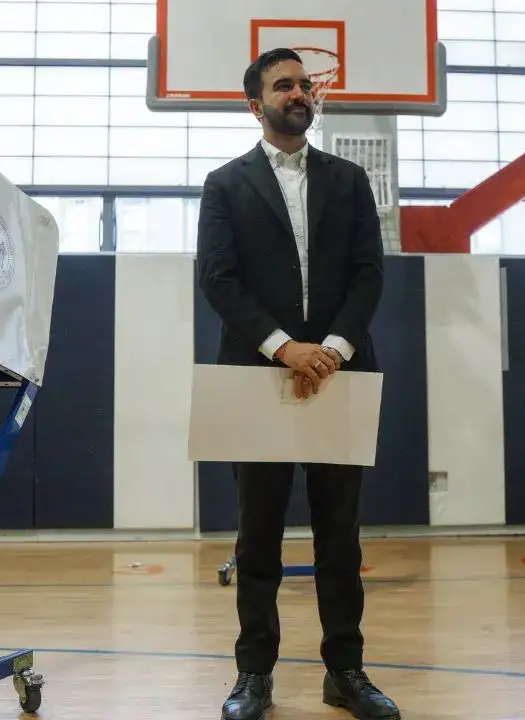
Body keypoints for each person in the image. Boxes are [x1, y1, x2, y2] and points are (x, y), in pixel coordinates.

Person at [195, 48, 397, 720]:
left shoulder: (348, 180)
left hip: (340, 373)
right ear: (255, 104)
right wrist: (287, 349)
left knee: (341, 535)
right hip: (257, 376)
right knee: (258, 536)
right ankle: (254, 673)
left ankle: (346, 670)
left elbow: (369, 274)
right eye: (284, 85)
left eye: (305, 84)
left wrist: (331, 350)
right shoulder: (225, 185)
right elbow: (218, 280)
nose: (299, 93)